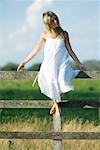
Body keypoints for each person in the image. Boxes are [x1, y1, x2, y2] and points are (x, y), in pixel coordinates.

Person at [17, 11, 86, 116]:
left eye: (56, 18)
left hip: (63, 63)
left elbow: (70, 50)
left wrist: (79, 63)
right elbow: (35, 50)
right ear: (48, 23)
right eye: (52, 20)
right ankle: (57, 106)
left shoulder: (64, 34)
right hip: (49, 65)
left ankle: (55, 104)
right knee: (51, 82)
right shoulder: (44, 35)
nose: (56, 21)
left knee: (62, 81)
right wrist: (24, 62)